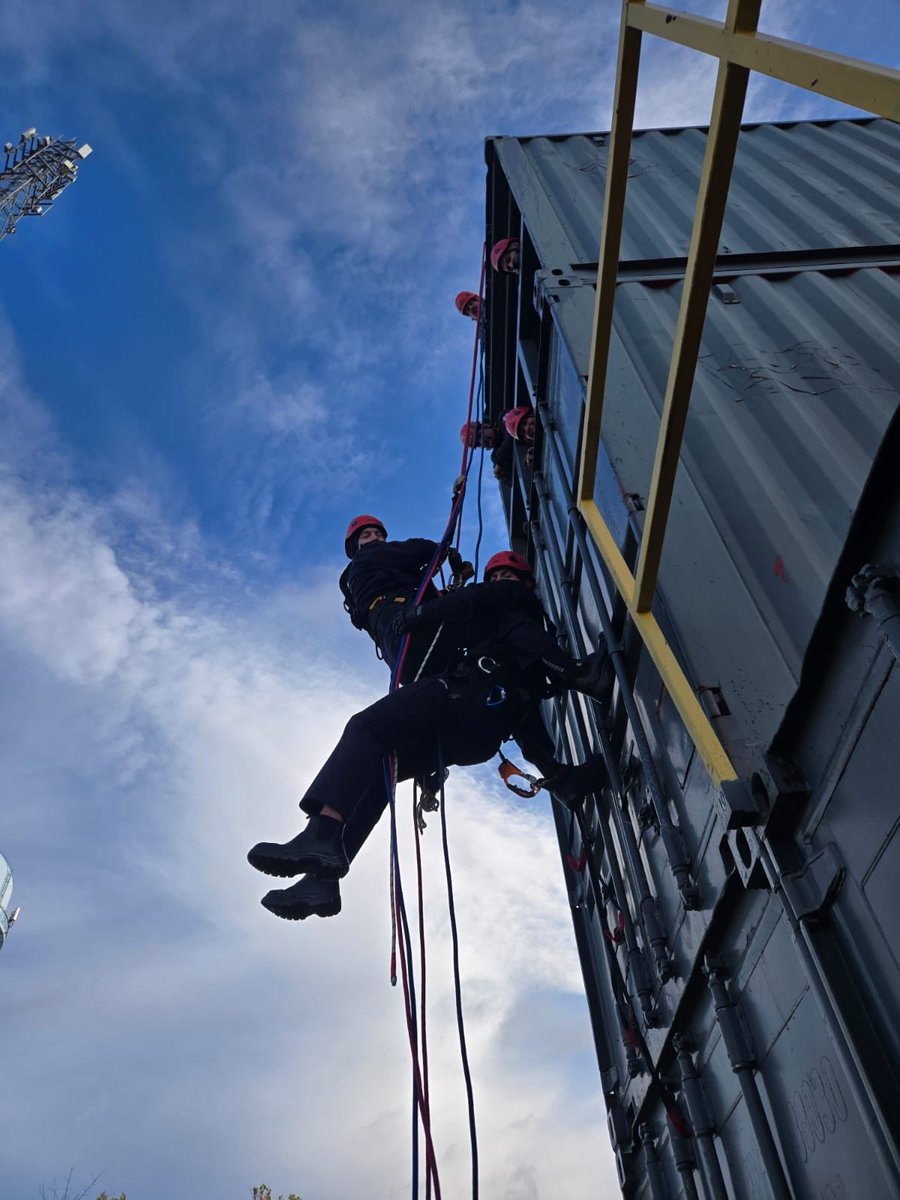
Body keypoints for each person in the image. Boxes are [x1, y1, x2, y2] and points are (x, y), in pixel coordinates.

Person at [250, 549, 609, 920]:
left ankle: (323, 834)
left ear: (526, 583)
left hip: (462, 696)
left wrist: (421, 613)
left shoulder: (508, 599)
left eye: (506, 576)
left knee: (366, 728)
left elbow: (470, 600)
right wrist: (556, 774)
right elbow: (528, 722)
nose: (500, 582)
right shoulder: (520, 645)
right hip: (479, 729)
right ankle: (321, 882)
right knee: (379, 770)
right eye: (497, 577)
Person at [460, 419, 514, 485]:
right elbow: (511, 483)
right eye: (478, 444)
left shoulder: (502, 420)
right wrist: (503, 475)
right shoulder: (495, 457)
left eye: (479, 436)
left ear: (485, 426)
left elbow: (512, 432)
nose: (482, 442)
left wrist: (500, 462)